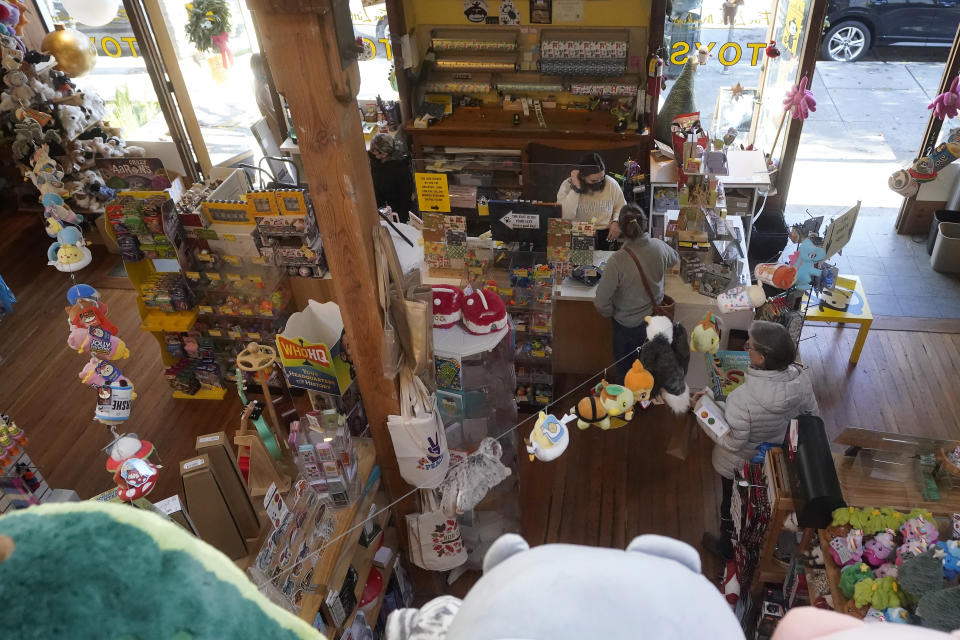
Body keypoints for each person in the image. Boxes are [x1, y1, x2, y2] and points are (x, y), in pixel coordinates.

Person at [696, 321, 819, 559]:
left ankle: (726, 547)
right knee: (759, 504)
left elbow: (732, 440)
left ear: (761, 358)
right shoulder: (801, 381)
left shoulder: (744, 399)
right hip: (773, 463)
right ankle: (757, 540)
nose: (745, 348)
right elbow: (812, 417)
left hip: (738, 464)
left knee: (731, 505)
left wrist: (703, 405)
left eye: (749, 346)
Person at [593, 204, 679, 381]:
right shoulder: (658, 246)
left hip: (626, 326)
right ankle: (645, 399)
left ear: (621, 230)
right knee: (647, 367)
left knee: (626, 371)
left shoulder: (617, 260)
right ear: (645, 224)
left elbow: (601, 302)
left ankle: (626, 404)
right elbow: (675, 259)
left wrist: (613, 313)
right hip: (654, 320)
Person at [557, 152, 627, 241]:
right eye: (593, 181)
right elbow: (565, 215)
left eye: (602, 178)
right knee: (581, 255)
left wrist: (616, 221)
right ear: (582, 176)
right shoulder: (568, 185)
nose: (599, 183)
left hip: (605, 233)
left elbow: (621, 206)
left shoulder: (610, 183)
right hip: (579, 233)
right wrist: (576, 187)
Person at [368, 133, 414, 222]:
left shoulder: (399, 169)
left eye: (375, 152)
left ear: (384, 154)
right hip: (382, 203)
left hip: (396, 207)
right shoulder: (376, 160)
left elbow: (405, 196)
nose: (372, 153)